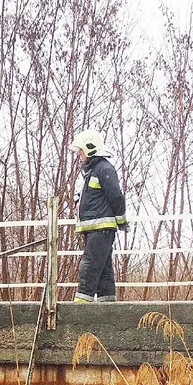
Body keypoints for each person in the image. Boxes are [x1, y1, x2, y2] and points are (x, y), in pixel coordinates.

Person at [70, 129, 127, 302]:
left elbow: (116, 196)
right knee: (104, 268)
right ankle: (107, 304)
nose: (79, 154)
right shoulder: (94, 170)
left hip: (101, 228)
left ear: (89, 148)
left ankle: (81, 304)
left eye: (81, 150)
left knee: (90, 264)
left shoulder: (103, 168)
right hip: (97, 228)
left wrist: (121, 220)